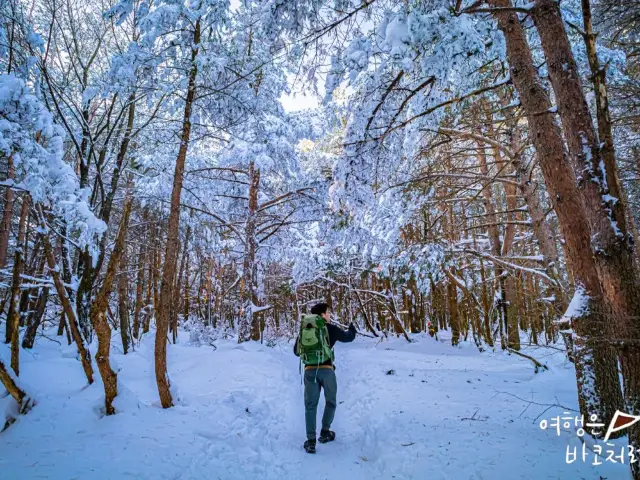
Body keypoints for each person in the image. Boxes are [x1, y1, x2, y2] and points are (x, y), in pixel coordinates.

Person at [293, 302, 356, 454]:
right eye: (328, 313)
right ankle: (325, 432)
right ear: (322, 315)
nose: (329, 315)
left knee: (310, 405)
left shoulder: (306, 328)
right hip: (327, 371)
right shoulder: (330, 329)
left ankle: (310, 441)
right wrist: (352, 329)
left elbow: (296, 351)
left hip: (309, 372)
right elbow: (348, 338)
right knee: (331, 401)